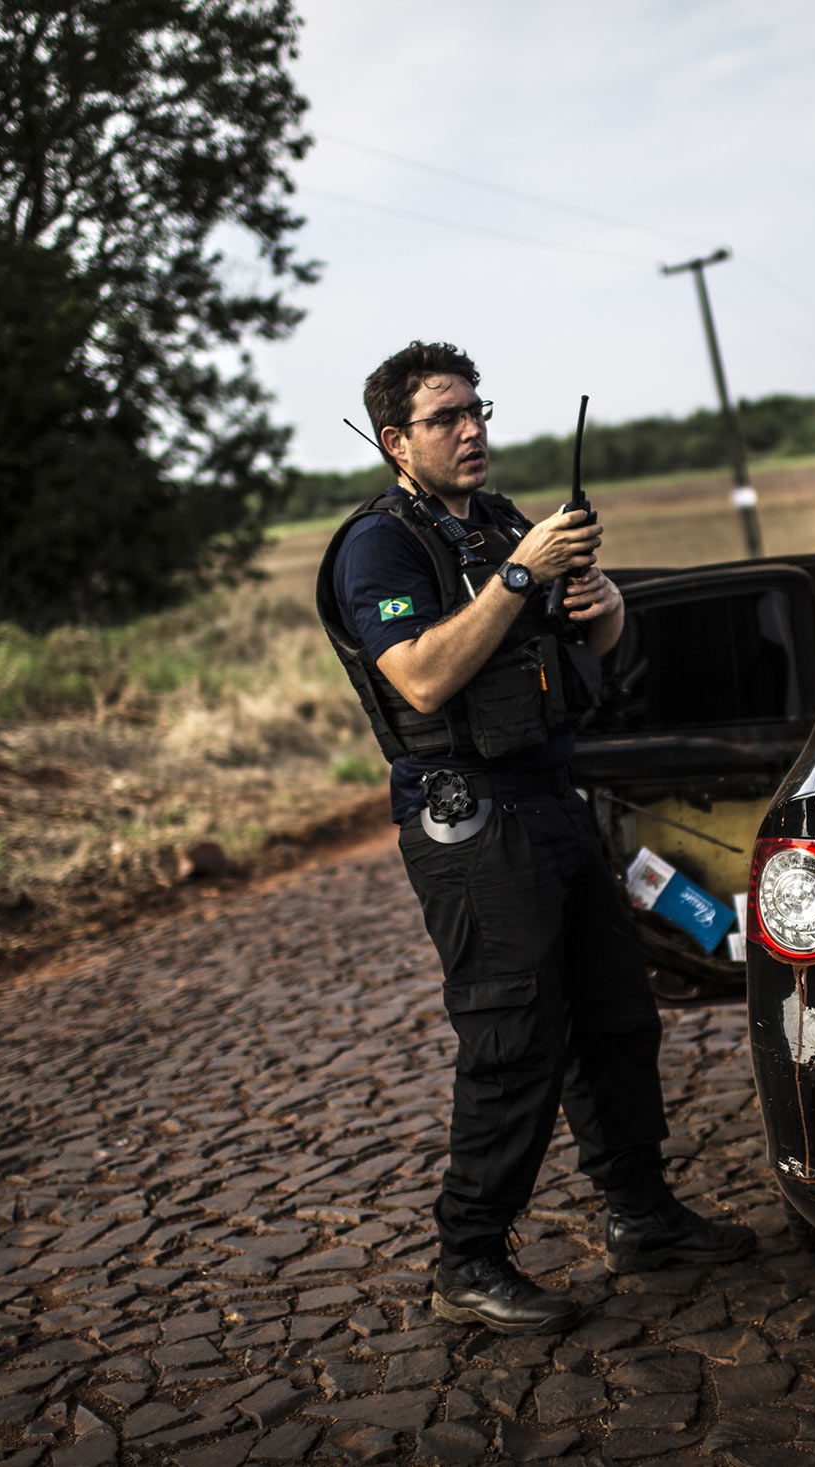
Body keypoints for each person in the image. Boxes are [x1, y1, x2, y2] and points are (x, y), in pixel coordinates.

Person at [316, 342, 754, 1335]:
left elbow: (586, 648)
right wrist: (518, 575)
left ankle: (641, 1214)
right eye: (446, 418)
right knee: (513, 1041)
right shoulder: (381, 547)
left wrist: (604, 608)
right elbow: (423, 678)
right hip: (467, 816)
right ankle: (466, 1259)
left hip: (554, 797)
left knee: (616, 1019)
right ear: (396, 441)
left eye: (478, 410)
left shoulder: (509, 521)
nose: (472, 429)